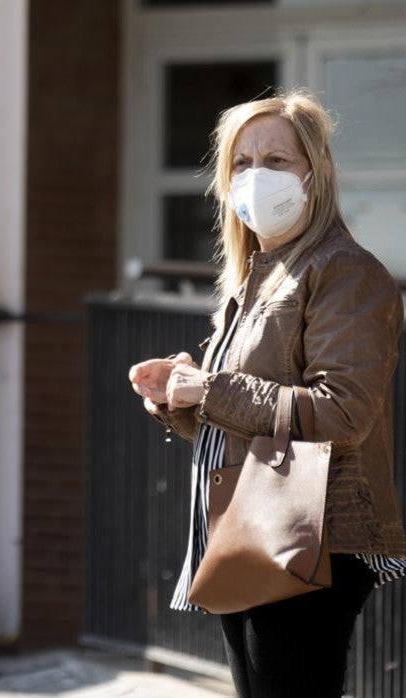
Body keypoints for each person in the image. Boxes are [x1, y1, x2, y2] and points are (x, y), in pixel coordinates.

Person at [128, 90, 406, 697]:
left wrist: (213, 388)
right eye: (243, 162)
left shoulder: (344, 272)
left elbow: (343, 413)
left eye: (277, 161)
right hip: (250, 528)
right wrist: (182, 398)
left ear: (317, 172)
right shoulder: (257, 275)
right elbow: (244, 414)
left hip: (312, 535)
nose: (258, 176)